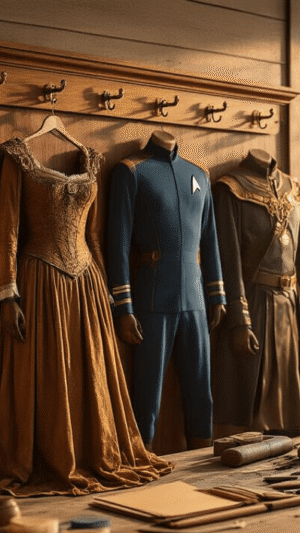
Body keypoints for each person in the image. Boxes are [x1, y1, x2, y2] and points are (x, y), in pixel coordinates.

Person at [0, 132, 172, 497]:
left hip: (88, 284)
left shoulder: (92, 161)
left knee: (93, 371)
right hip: (41, 282)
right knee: (49, 370)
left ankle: (95, 450)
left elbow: (95, 237)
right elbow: (7, 232)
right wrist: (7, 296)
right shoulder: (16, 159)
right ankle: (54, 455)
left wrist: (109, 295)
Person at [105, 130, 227, 450]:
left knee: (201, 392)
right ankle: (141, 460)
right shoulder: (131, 171)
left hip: (196, 297)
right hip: (153, 295)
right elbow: (117, 245)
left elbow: (210, 239)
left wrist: (217, 295)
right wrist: (124, 307)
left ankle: (201, 465)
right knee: (147, 393)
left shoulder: (198, 174)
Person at [211, 149, 300, 437]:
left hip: (290, 307)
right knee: (251, 413)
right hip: (254, 305)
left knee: (292, 414)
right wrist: (240, 322)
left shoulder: (292, 189)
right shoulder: (230, 189)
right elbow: (229, 262)